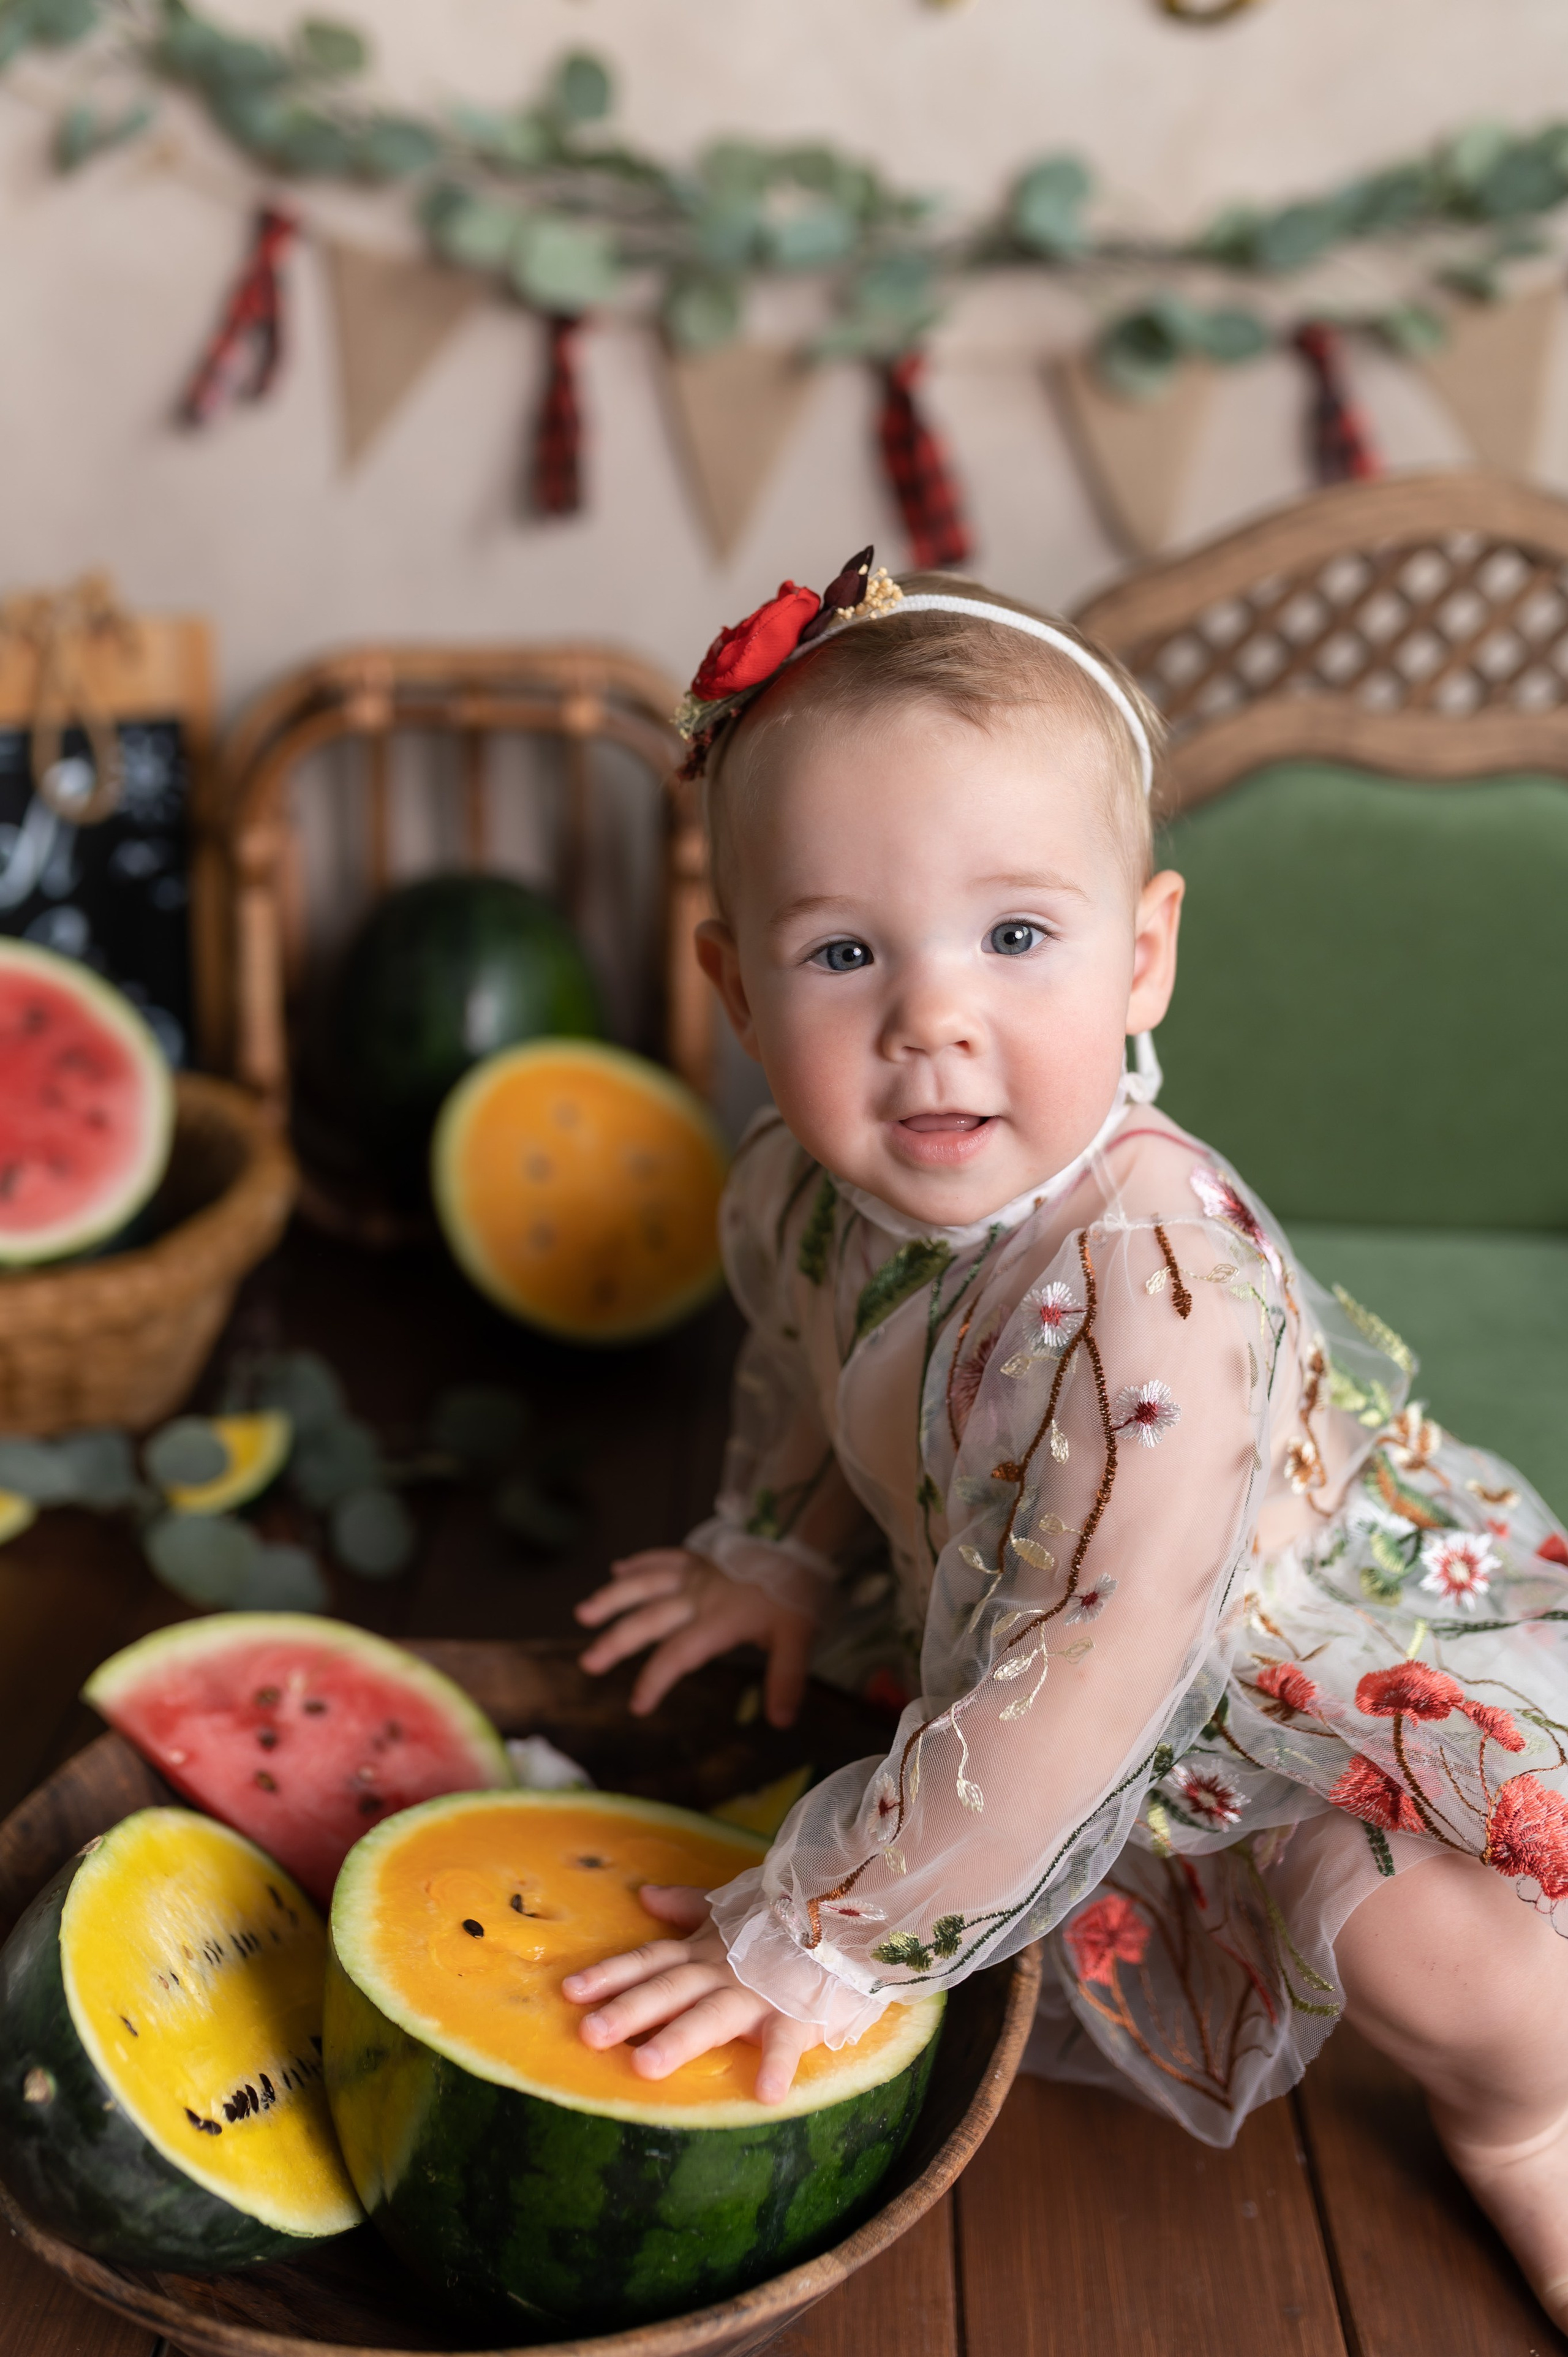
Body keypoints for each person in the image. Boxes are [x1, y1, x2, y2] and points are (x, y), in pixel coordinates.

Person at [561, 549, 1568, 2326]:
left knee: (1410, 1934)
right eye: (844, 950)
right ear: (734, 989)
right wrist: (778, 1550)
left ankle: (1537, 2110)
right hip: (1041, 1615)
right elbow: (810, 1362)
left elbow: (1095, 1664)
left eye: (1017, 936)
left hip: (1268, 1665)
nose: (930, 1016)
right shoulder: (812, 1183)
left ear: (1144, 956)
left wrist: (833, 1936)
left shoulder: (1149, 1304)